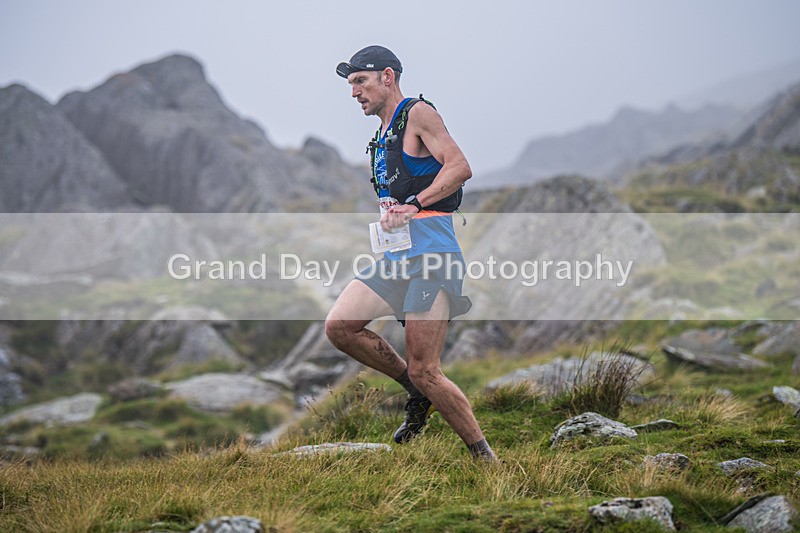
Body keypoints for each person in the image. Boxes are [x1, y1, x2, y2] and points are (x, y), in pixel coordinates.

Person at [325, 45, 496, 461]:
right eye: (350, 85)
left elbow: (459, 167)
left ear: (387, 76)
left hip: (432, 256)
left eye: (360, 82)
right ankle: (414, 393)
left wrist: (415, 204)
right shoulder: (381, 134)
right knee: (340, 327)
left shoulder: (417, 113)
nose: (354, 93)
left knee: (427, 369)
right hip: (396, 257)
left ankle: (486, 459)